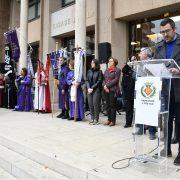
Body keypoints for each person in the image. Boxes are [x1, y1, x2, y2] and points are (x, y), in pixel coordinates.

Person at [154, 18, 180, 165]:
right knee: (166, 121)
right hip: (165, 90)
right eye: (162, 31)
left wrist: (179, 70)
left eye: (167, 31)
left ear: (174, 29)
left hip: (179, 89)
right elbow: (154, 63)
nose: (164, 34)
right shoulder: (158, 47)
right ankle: (167, 148)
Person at [136, 47, 157, 140]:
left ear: (146, 54)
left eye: (141, 53)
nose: (139, 55)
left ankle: (152, 131)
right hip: (141, 89)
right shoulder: (139, 64)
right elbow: (136, 75)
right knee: (140, 110)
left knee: (150, 111)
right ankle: (140, 129)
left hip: (151, 90)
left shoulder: (154, 62)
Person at [103, 57, 121, 126]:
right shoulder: (107, 70)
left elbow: (116, 80)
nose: (109, 62)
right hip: (106, 90)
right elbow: (104, 79)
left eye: (111, 61)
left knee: (112, 106)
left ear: (114, 62)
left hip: (113, 90)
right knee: (107, 105)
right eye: (109, 61)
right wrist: (104, 86)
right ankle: (109, 119)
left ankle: (113, 121)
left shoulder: (118, 70)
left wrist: (107, 86)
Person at [86, 59, 103, 125]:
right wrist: (88, 88)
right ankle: (92, 118)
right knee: (90, 104)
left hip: (96, 90)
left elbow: (99, 81)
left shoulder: (99, 72)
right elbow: (87, 80)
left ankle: (96, 119)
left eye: (93, 63)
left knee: (95, 105)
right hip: (89, 90)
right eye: (91, 63)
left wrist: (92, 88)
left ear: (96, 64)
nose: (91, 64)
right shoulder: (89, 71)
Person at [121, 63, 135, 128]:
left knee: (134, 110)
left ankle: (137, 123)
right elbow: (123, 85)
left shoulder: (134, 71)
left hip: (134, 93)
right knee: (128, 109)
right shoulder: (125, 73)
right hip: (128, 94)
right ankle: (128, 123)